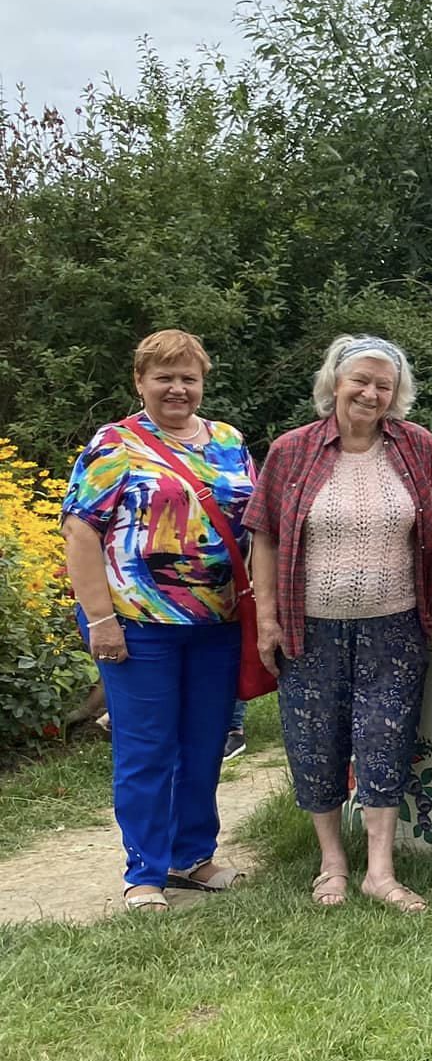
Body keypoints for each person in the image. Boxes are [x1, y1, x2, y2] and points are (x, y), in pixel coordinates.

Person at [247, 335, 432, 911]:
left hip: (394, 624)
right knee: (315, 743)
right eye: (360, 379)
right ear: (334, 383)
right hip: (310, 625)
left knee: (386, 739)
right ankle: (332, 863)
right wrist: (267, 618)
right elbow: (263, 533)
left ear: (397, 393)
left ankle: (380, 870)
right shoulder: (293, 450)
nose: (371, 392)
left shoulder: (418, 447)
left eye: (384, 384)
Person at [61, 330, 255, 912]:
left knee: (204, 745)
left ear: (202, 383)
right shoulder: (114, 443)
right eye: (164, 377)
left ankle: (192, 857)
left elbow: (258, 524)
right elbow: (79, 532)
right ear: (140, 382)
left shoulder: (227, 441)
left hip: (218, 624)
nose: (177, 388)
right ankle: (144, 871)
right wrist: (100, 620)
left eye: (188, 377)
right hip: (137, 623)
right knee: (147, 750)